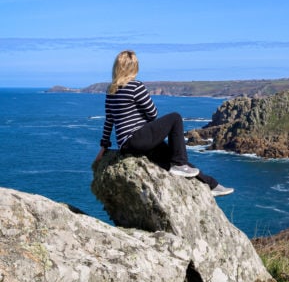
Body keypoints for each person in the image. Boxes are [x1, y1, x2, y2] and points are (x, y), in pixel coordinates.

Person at [94, 50, 234, 197]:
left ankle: (211, 185)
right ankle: (180, 164)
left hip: (126, 145)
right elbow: (153, 113)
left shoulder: (111, 90)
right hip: (138, 139)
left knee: (171, 155)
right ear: (134, 67)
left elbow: (109, 120)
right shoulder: (136, 86)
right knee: (175, 118)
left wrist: (103, 147)